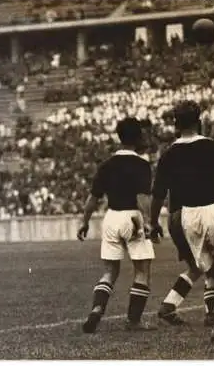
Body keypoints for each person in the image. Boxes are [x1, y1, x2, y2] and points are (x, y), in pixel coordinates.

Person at [150, 100, 214, 345]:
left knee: (207, 268)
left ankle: (210, 311)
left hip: (188, 216)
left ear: (176, 124)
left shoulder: (168, 154)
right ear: (200, 121)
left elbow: (157, 194)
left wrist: (153, 223)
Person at [77, 117, 156, 333]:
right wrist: (148, 223)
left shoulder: (107, 164)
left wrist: (84, 222)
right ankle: (134, 321)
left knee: (110, 272)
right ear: (138, 137)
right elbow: (142, 197)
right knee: (142, 270)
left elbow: (93, 198)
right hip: (133, 217)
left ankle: (97, 309)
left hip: (111, 217)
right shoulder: (141, 164)